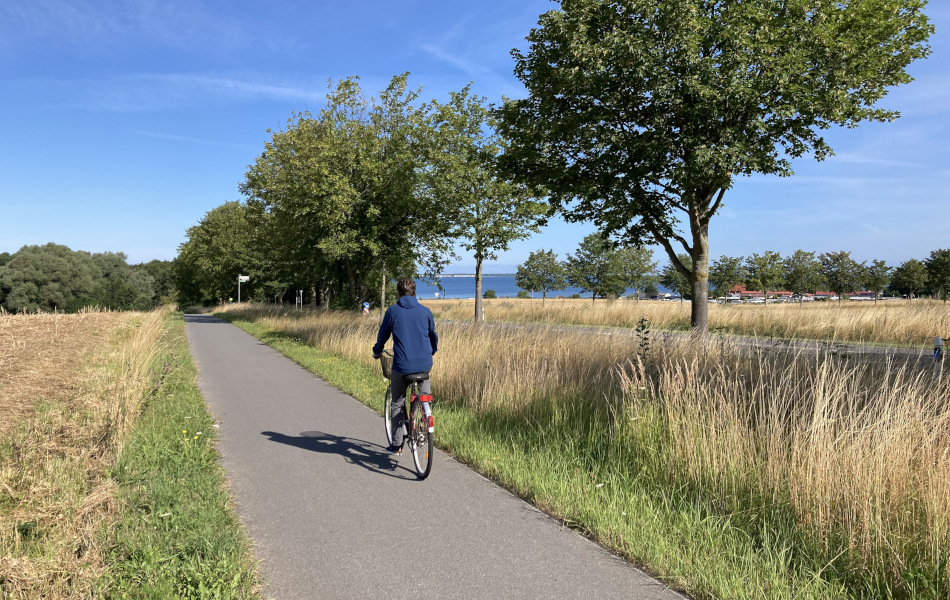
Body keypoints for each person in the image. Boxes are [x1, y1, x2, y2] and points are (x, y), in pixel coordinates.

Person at [372, 278, 438, 455]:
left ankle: (397, 445)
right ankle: (424, 419)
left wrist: (377, 351)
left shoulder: (393, 311)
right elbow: (433, 336)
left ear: (398, 293)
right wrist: (432, 350)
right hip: (424, 365)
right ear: (414, 292)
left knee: (397, 402)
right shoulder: (425, 311)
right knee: (425, 397)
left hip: (401, 366)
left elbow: (383, 335)